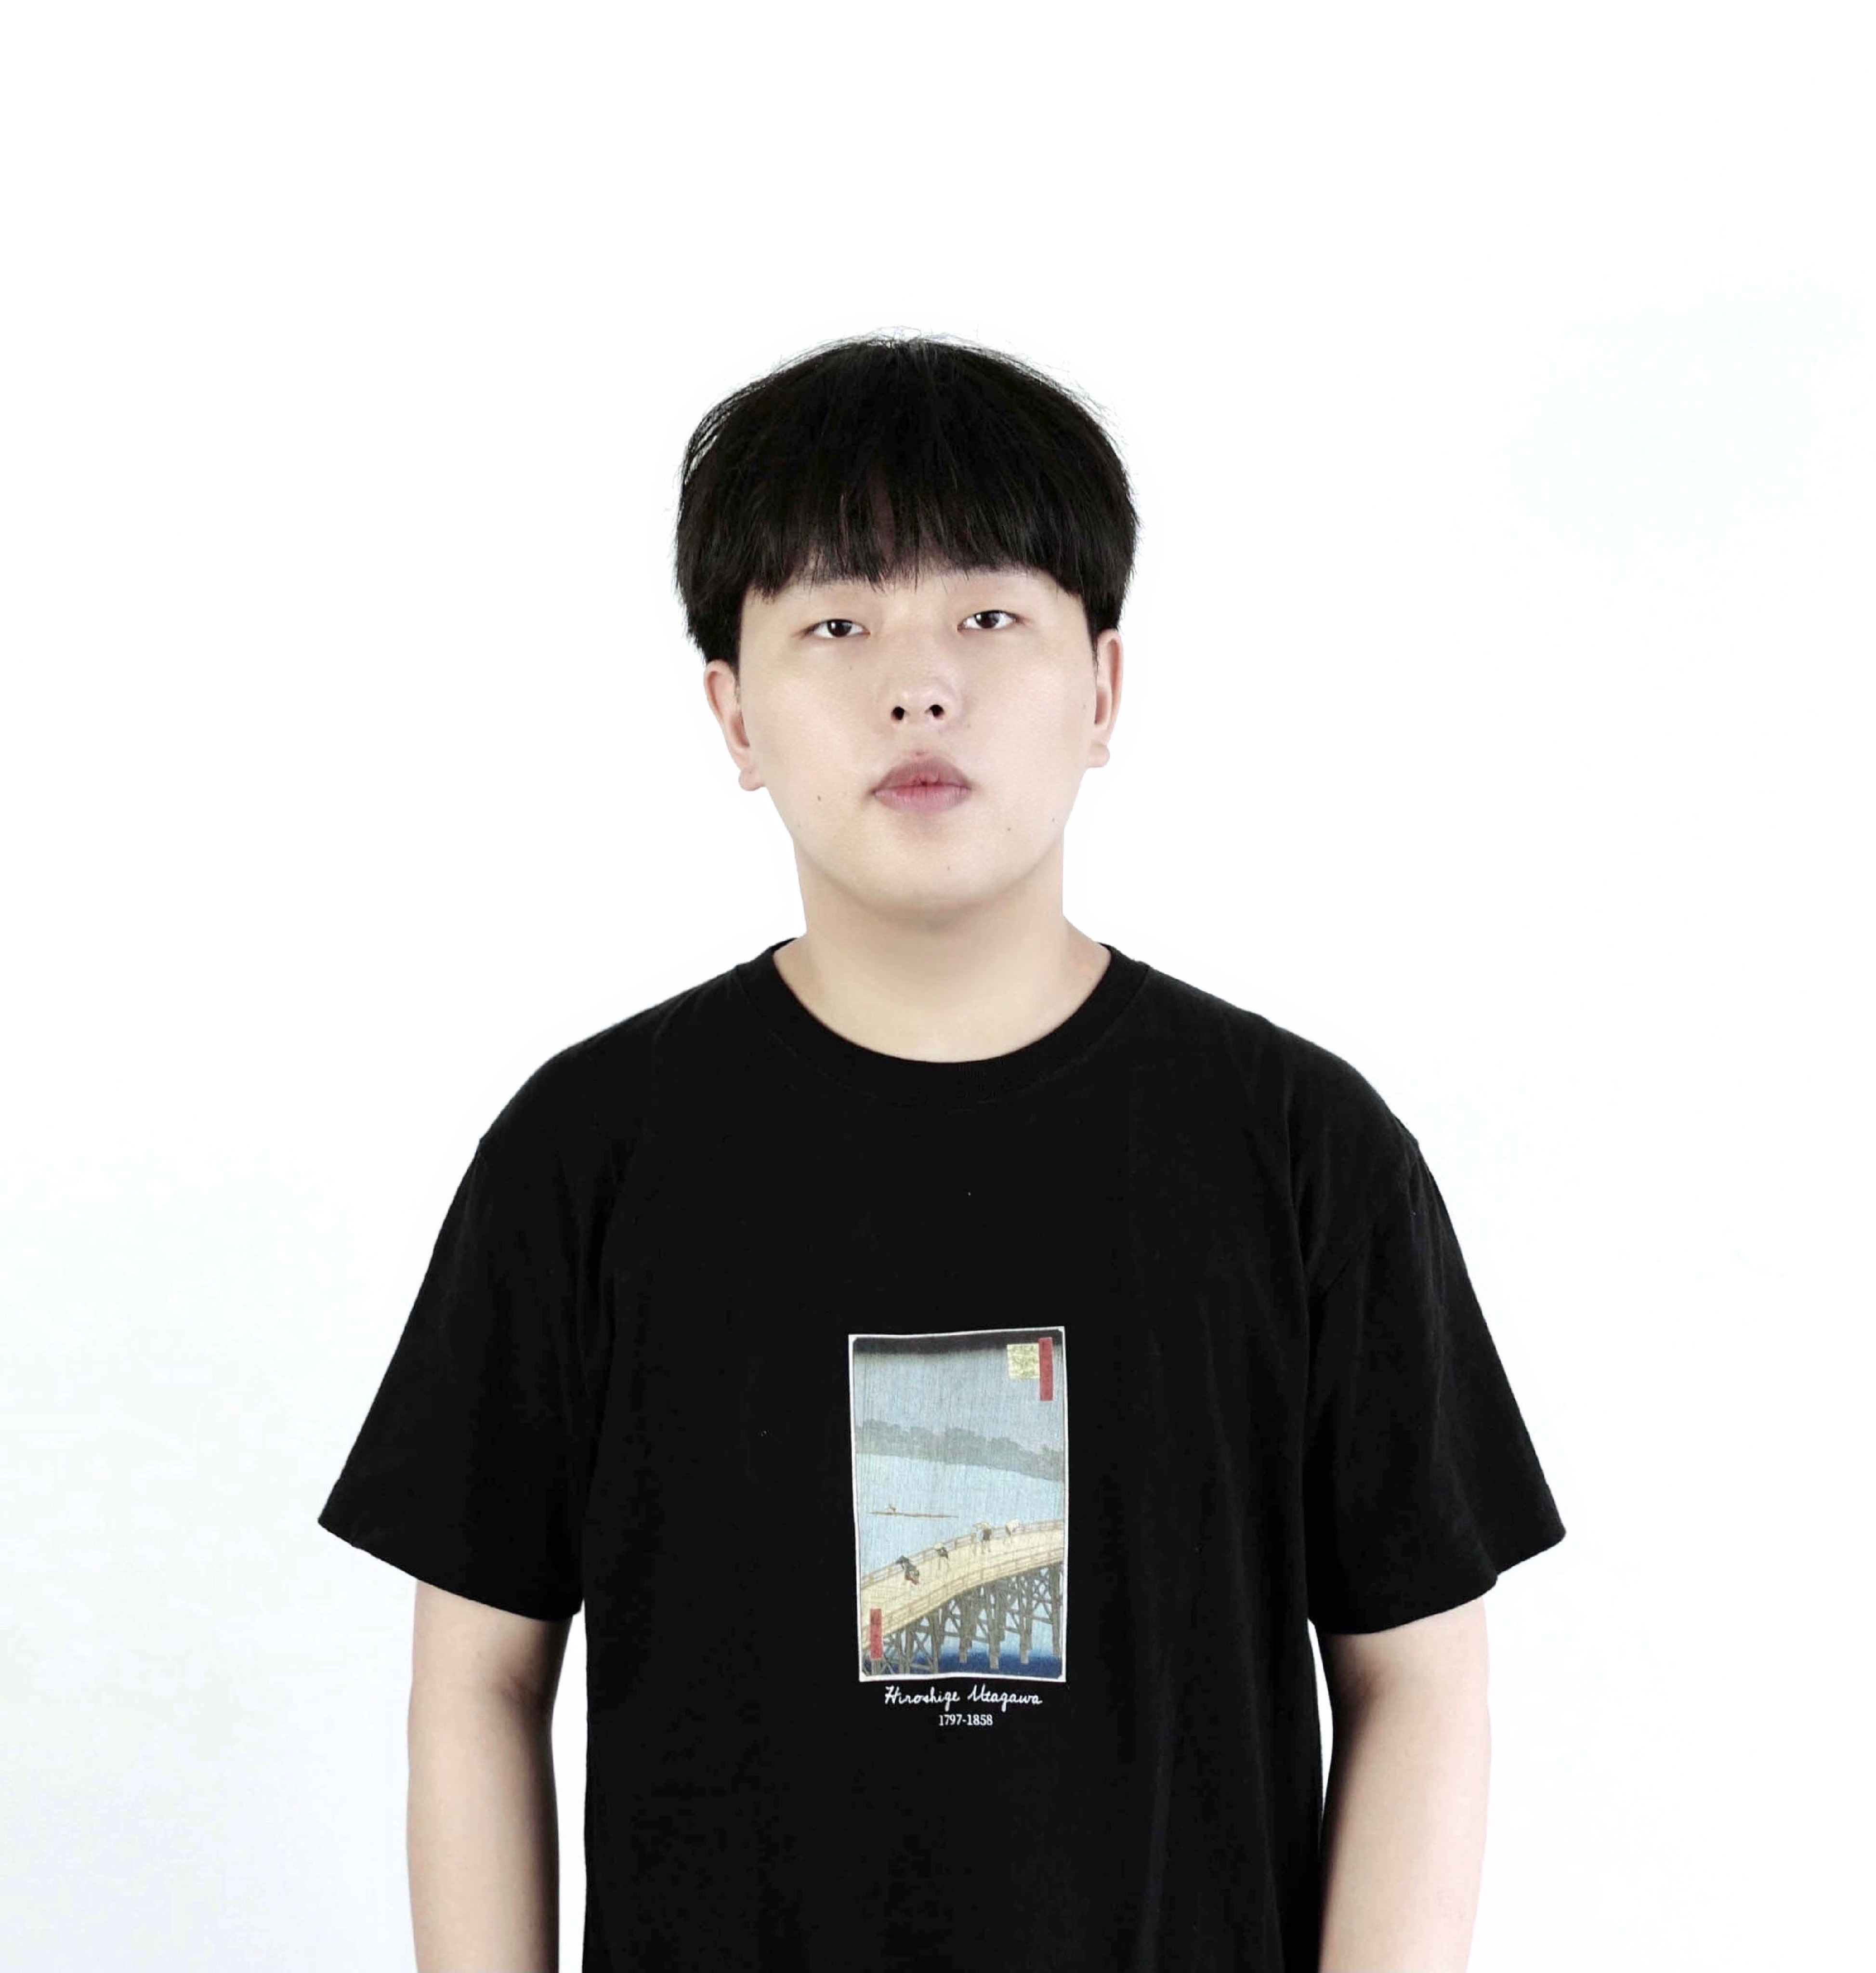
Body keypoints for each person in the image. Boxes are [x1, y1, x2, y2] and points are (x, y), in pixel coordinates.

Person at [317, 330, 1566, 1973]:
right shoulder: (587, 1153)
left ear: (1103, 689)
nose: (919, 684)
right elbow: (477, 1678)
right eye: (836, 624)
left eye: (989, 616)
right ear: (733, 712)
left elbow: (1422, 1677)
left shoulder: (1302, 1152)